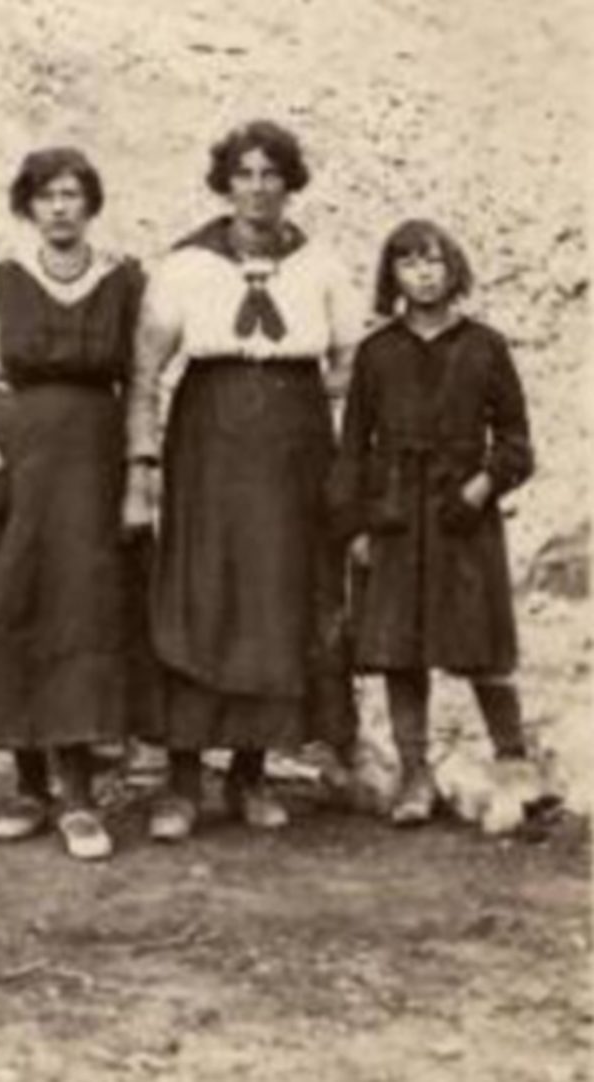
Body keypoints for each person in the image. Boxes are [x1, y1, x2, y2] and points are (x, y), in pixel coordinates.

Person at [123, 119, 363, 841]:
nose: (258, 189)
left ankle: (251, 775)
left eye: (271, 175)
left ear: (290, 184)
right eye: (245, 175)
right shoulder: (187, 265)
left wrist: (293, 399)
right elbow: (144, 374)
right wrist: (143, 468)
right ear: (225, 184)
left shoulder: (320, 265)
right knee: (204, 594)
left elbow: (353, 360)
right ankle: (183, 781)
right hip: (208, 442)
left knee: (274, 601)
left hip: (293, 452)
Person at [0, 147, 147, 861]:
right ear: (29, 204)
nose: (61, 207)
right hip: (11, 468)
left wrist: (140, 471)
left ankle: (80, 797)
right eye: (48, 195)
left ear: (91, 205)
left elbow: (143, 383)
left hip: (91, 469)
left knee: (79, 615)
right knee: (12, 610)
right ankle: (27, 786)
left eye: (74, 194)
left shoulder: (123, 281)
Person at [331, 220, 536, 825]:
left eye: (433, 262)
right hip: (394, 515)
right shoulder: (377, 352)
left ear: (454, 270)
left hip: (460, 518)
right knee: (401, 649)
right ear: (391, 275)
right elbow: (352, 448)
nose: (422, 274)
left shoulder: (485, 347)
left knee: (481, 646)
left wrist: (477, 489)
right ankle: (415, 777)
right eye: (408, 263)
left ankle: (516, 770)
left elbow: (518, 444)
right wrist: (359, 527)